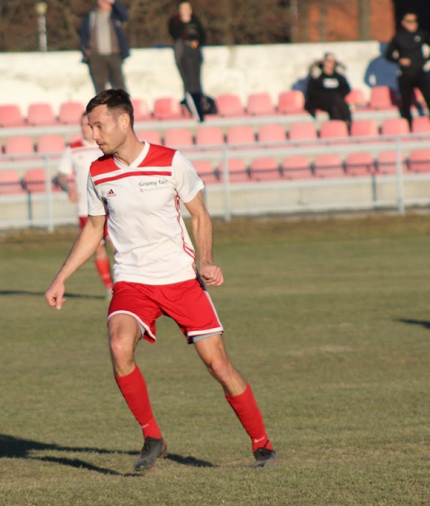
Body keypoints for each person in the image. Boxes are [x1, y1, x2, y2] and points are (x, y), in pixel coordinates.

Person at [45, 89, 276, 471]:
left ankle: (262, 444)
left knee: (218, 365)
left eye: (99, 126)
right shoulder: (98, 172)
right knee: (120, 346)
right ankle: (152, 437)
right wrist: (61, 278)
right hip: (133, 281)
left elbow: (200, 215)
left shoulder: (171, 162)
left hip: (181, 280)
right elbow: (94, 229)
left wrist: (206, 261)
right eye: (90, 128)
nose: (93, 136)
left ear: (124, 121)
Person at [56, 114, 113, 295]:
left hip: (110, 205)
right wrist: (68, 188)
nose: (83, 128)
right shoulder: (73, 149)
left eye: (86, 125)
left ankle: (126, 284)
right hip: (86, 209)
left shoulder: (106, 145)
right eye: (81, 124)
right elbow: (61, 176)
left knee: (117, 246)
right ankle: (110, 289)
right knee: (97, 248)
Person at [384, 12, 430, 130]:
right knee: (406, 102)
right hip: (405, 75)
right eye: (409, 21)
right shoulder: (398, 37)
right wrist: (399, 60)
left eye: (414, 21)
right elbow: (388, 54)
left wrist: (426, 59)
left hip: (420, 73)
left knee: (429, 98)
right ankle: (408, 126)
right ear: (403, 23)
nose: (412, 24)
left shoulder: (421, 34)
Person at [79, 0, 130, 95]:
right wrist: (86, 50)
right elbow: (83, 34)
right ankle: (101, 107)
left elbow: (126, 15)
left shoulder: (115, 15)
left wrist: (114, 2)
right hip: (96, 56)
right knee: (99, 86)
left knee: (119, 85)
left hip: (115, 54)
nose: (104, 3)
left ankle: (122, 106)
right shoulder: (91, 16)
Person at [168, 1, 208, 121]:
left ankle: (199, 110)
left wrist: (195, 42)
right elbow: (175, 34)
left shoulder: (196, 22)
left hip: (195, 55)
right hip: (183, 54)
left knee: (196, 83)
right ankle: (192, 108)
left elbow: (203, 37)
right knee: (188, 83)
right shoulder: (175, 22)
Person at [304, 52, 352, 126]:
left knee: (337, 105)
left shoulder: (338, 76)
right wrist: (329, 95)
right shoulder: (318, 76)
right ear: (324, 62)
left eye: (332, 61)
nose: (330, 63)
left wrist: (336, 95)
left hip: (336, 101)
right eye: (328, 61)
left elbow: (346, 89)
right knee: (336, 102)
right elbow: (312, 91)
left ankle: (345, 125)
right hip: (321, 101)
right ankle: (341, 126)